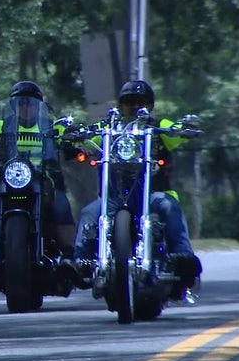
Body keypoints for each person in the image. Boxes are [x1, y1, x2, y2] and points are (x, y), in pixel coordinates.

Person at [72, 79, 202, 299]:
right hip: (114, 199)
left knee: (170, 207)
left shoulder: (158, 126)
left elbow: (175, 130)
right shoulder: (108, 129)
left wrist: (183, 129)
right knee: (89, 213)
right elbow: (86, 139)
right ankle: (79, 264)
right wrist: (76, 136)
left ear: (150, 106)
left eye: (140, 103)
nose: (134, 107)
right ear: (121, 106)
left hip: (152, 195)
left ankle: (183, 258)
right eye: (128, 103)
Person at [0, 81, 78, 288]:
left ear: (38, 105)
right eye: (21, 103)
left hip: (42, 180)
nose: (26, 106)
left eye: (30, 103)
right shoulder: (2, 126)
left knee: (61, 205)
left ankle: (69, 257)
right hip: (7, 180)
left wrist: (69, 142)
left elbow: (64, 137)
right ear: (14, 105)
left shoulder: (50, 125)